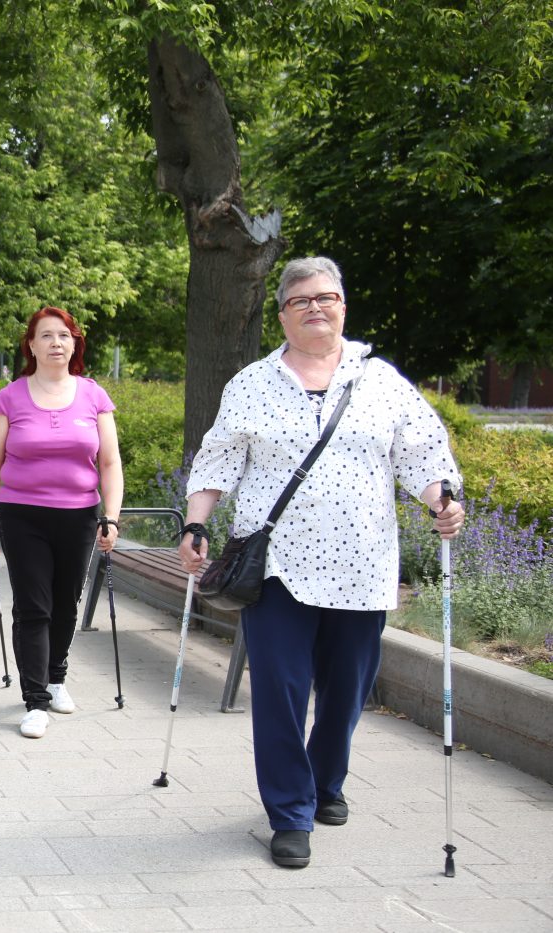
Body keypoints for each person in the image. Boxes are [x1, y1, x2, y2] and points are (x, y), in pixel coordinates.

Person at [177, 256, 464, 870]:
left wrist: (443, 501)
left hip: (362, 564)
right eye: (300, 299)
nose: (314, 307)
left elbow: (422, 455)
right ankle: (289, 811)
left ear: (343, 306)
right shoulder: (251, 383)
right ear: (281, 314)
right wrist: (197, 522)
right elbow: (217, 462)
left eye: (325, 297)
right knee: (280, 689)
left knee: (347, 691)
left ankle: (327, 779)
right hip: (275, 565)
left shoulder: (380, 381)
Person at [0, 306, 123, 740]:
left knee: (66, 604)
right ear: (31, 345)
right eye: (46, 335)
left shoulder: (93, 396)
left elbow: (110, 462)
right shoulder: (9, 397)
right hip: (23, 516)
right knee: (34, 606)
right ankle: (35, 699)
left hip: (79, 515)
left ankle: (56, 677)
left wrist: (111, 518)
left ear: (75, 343)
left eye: (64, 335)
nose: (56, 342)